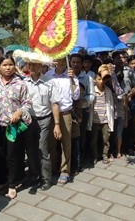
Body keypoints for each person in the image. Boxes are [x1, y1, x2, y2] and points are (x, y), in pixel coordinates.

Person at [0, 55, 32, 199]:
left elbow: (27, 102)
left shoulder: (20, 84)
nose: (8, 68)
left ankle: (12, 184)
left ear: (14, 66)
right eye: (4, 65)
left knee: (12, 155)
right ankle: (2, 181)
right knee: (0, 155)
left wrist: (19, 112)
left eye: (10, 64)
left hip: (14, 126)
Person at [23, 52, 62, 191]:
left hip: (44, 120)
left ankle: (46, 179)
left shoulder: (49, 83)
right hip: (28, 121)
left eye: (36, 64)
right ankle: (34, 176)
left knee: (42, 149)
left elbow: (55, 104)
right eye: (30, 64)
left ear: (41, 66)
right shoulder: (24, 82)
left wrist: (57, 124)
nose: (32, 66)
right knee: (30, 150)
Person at [45, 57, 80, 185]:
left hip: (65, 113)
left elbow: (76, 96)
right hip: (50, 114)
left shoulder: (71, 75)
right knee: (51, 143)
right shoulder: (48, 75)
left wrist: (72, 79)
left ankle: (65, 171)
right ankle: (54, 167)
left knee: (66, 144)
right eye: (57, 59)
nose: (60, 62)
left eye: (62, 60)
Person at [89, 64, 115, 164]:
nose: (101, 81)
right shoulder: (93, 91)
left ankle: (105, 155)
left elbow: (111, 105)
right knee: (93, 140)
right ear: (95, 80)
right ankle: (95, 156)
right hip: (95, 119)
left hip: (105, 119)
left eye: (102, 79)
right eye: (99, 79)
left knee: (106, 139)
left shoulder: (108, 91)